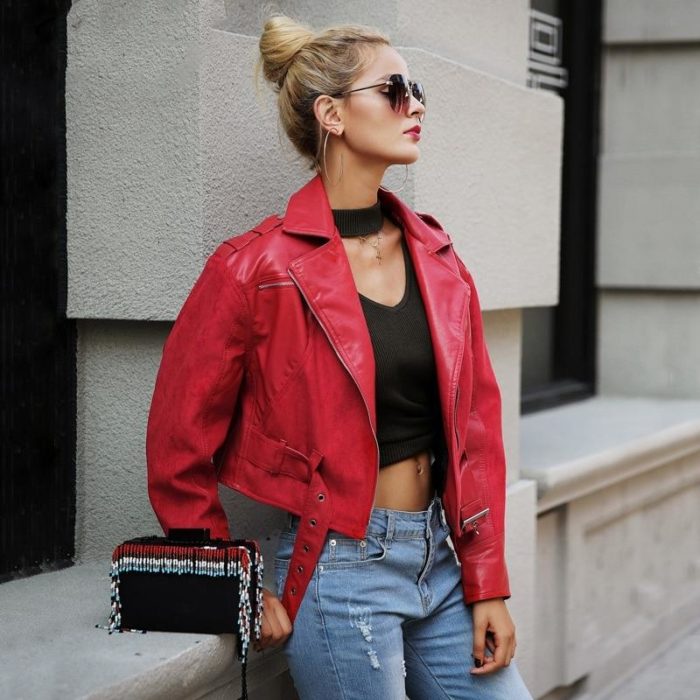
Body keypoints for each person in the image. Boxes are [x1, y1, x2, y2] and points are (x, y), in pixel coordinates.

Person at [146, 12, 533, 700]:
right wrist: (229, 578)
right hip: (342, 572)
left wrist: (487, 581)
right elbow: (179, 440)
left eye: (416, 90)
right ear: (330, 113)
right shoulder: (254, 268)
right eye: (392, 89)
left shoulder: (439, 259)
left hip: (440, 560)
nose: (413, 104)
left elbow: (476, 433)